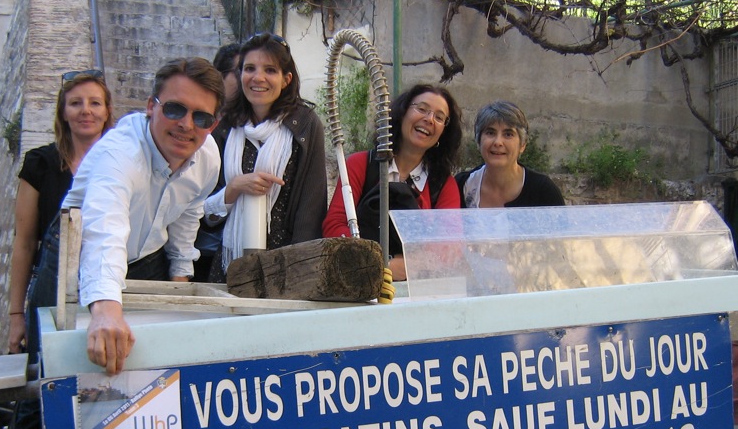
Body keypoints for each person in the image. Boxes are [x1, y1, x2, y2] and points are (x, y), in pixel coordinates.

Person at [0, 69, 114, 429]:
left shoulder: (118, 160)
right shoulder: (42, 164)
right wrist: (15, 315)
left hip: (104, 292)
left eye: (95, 102)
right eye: (76, 102)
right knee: (33, 404)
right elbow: (25, 242)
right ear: (63, 111)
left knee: (107, 397)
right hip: (50, 292)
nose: (85, 111)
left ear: (108, 112)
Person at [59, 57, 223, 376]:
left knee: (153, 370)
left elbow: (188, 212)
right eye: (174, 109)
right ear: (151, 106)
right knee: (59, 369)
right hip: (78, 263)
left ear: (213, 125)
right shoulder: (119, 153)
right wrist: (106, 308)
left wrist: (180, 276)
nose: (187, 124)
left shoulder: (208, 157)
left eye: (201, 117)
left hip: (148, 261)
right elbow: (104, 227)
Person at [200, 33, 327, 282]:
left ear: (286, 79)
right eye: (250, 68)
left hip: (284, 266)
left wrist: (298, 270)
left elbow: (311, 206)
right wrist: (234, 188)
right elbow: (203, 213)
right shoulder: (227, 128)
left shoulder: (305, 125)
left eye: (270, 70)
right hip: (230, 263)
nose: (258, 78)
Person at [322, 83, 463, 281]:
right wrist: (380, 263)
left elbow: (450, 247)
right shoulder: (359, 164)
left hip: (416, 287)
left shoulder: (443, 184)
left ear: (443, 133)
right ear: (402, 113)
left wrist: (412, 264)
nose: (429, 119)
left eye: (439, 117)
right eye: (422, 109)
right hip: (359, 280)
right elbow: (334, 225)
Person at [455, 100, 564, 208]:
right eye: (490, 133)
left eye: (508, 134)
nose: (498, 142)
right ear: (478, 141)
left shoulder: (544, 192)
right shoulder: (461, 186)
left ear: (522, 144)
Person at [192, 42, 240, 282]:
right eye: (242, 71)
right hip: (199, 250)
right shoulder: (197, 127)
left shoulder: (249, 129)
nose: (251, 78)